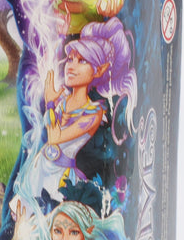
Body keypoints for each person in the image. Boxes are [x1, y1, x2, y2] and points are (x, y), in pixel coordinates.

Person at [18, 18, 134, 211]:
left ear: (99, 70)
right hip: (40, 167)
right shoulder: (64, 98)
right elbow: (49, 69)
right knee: (24, 215)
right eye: (70, 59)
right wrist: (60, 36)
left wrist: (50, 103)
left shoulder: (93, 113)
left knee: (48, 216)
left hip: (59, 177)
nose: (71, 66)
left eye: (81, 61)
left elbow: (55, 137)